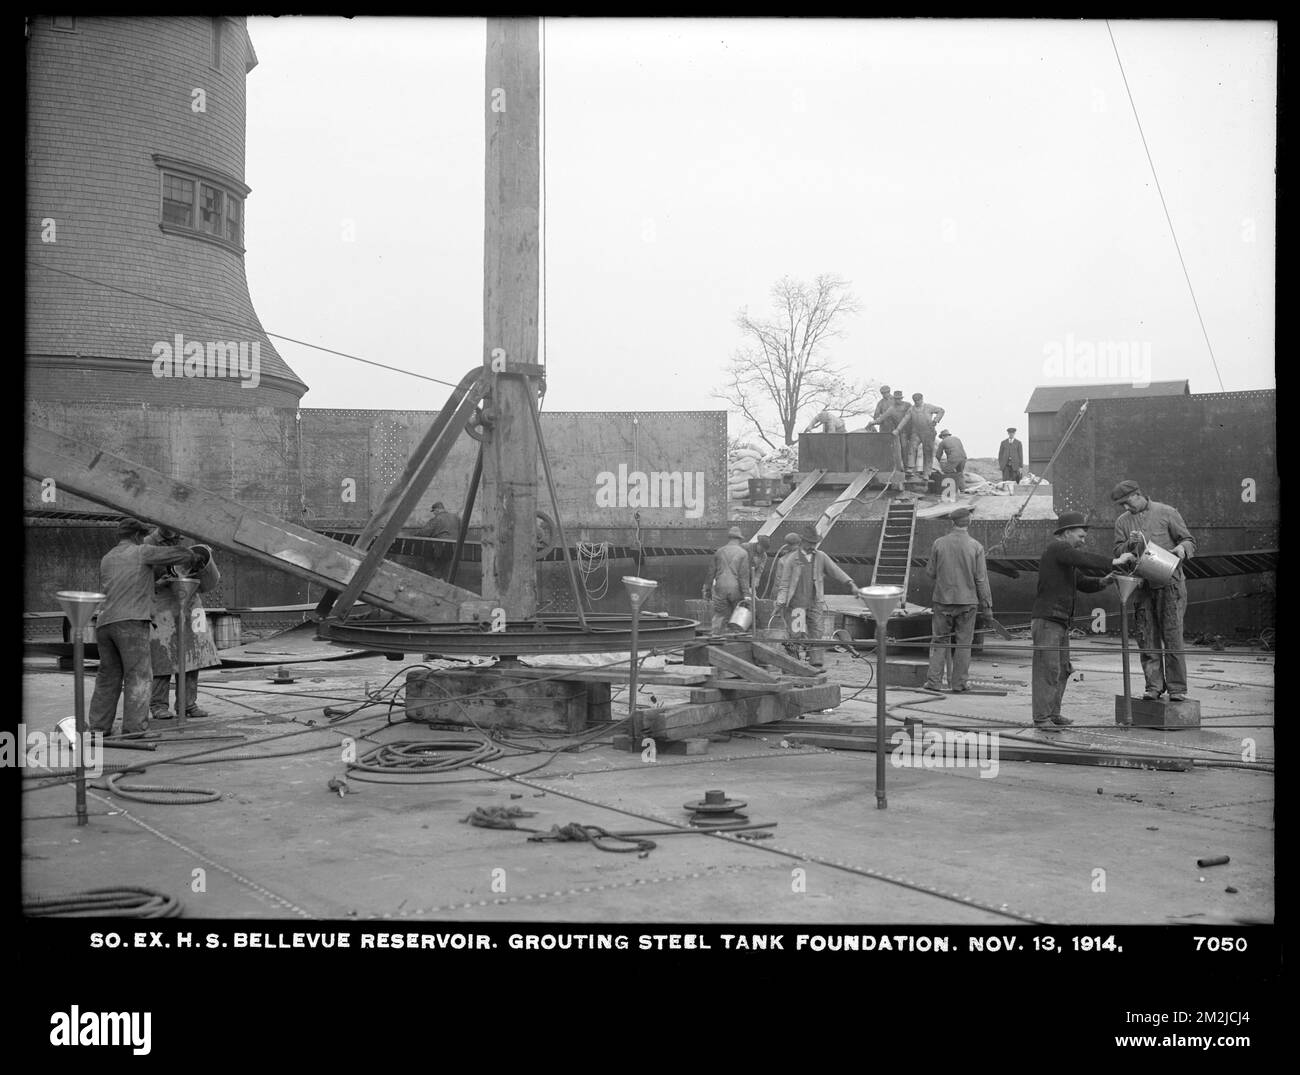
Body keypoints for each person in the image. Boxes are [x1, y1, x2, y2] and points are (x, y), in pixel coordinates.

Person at [88, 518, 196, 736]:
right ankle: (134, 730)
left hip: (105, 623)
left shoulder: (107, 558)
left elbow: (127, 585)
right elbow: (181, 555)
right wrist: (195, 555)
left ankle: (99, 728)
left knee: (108, 677)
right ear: (138, 536)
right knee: (138, 676)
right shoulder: (141, 551)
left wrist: (158, 584)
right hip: (131, 624)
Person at [1031, 511, 1135, 731]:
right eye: (1080, 535)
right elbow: (1084, 559)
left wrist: (1104, 581)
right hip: (1048, 621)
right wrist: (1114, 561)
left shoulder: (1065, 561)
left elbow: (1082, 583)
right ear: (1066, 533)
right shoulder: (1058, 549)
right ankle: (1042, 718)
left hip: (1059, 621)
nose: (1083, 540)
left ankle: (1053, 713)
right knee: (1047, 670)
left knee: (1062, 669)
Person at [1111, 480, 1196, 702]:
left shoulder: (1167, 512)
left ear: (1138, 495)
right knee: (1146, 638)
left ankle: (1177, 689)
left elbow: (1188, 540)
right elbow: (1117, 550)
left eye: (1127, 503)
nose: (1125, 508)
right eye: (1121, 505)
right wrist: (1129, 545)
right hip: (1142, 586)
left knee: (1173, 636)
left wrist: (1181, 549)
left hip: (1170, 583)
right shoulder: (1122, 522)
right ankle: (1154, 686)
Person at [147, 529, 222, 720]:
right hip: (162, 602)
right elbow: (140, 576)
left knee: (193, 654)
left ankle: (187, 704)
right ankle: (158, 705)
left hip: (191, 601)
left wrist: (204, 559)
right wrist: (157, 583)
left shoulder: (188, 537)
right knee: (162, 655)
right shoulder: (149, 542)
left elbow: (207, 577)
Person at [922, 508, 992, 692]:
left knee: (939, 641)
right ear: (969, 523)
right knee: (963, 643)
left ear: (952, 522)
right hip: (967, 603)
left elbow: (930, 572)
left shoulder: (938, 543)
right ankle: (959, 683)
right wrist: (987, 605)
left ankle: (934, 682)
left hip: (942, 601)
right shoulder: (976, 546)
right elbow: (981, 579)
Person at [773, 529, 859, 669]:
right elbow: (784, 584)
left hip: (815, 603)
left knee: (817, 632)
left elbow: (836, 571)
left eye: (815, 543)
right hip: (797, 605)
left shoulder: (821, 557)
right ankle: (794, 665)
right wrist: (780, 602)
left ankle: (815, 663)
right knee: (796, 635)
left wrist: (851, 584)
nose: (813, 546)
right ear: (802, 542)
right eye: (810, 543)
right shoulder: (791, 559)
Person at [710, 526, 752, 634]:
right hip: (735, 588)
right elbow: (743, 577)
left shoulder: (719, 551)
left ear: (729, 538)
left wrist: (706, 590)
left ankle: (715, 637)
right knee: (736, 617)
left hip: (720, 587)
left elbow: (711, 572)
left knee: (720, 615)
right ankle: (734, 640)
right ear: (739, 539)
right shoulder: (743, 553)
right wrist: (747, 594)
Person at [418, 500, 463, 579]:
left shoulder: (437, 519)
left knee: (428, 559)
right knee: (444, 564)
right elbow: (464, 531)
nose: (434, 514)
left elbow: (424, 532)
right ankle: (441, 579)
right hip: (454, 549)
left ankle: (435, 579)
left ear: (437, 510)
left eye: (434, 511)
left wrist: (416, 534)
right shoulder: (457, 518)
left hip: (439, 548)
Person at [908, 393, 945, 476]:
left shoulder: (928, 407)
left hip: (928, 433)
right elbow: (906, 419)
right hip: (916, 432)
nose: (917, 402)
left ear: (922, 399)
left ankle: (926, 473)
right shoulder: (912, 409)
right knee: (912, 448)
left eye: (918, 400)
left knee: (928, 452)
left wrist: (935, 420)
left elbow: (941, 410)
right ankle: (911, 468)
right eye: (915, 401)